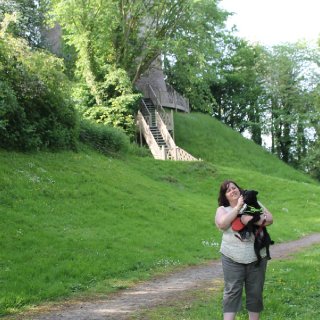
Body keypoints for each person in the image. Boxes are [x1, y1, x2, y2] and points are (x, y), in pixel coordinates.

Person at [215, 180, 273, 320]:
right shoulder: (222, 209)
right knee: (232, 291)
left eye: (234, 188)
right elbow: (222, 224)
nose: (232, 191)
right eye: (228, 191)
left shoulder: (254, 204)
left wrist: (249, 219)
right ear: (225, 196)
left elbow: (269, 219)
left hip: (257, 257)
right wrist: (238, 208)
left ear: (239, 190)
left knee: (255, 291)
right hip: (231, 257)